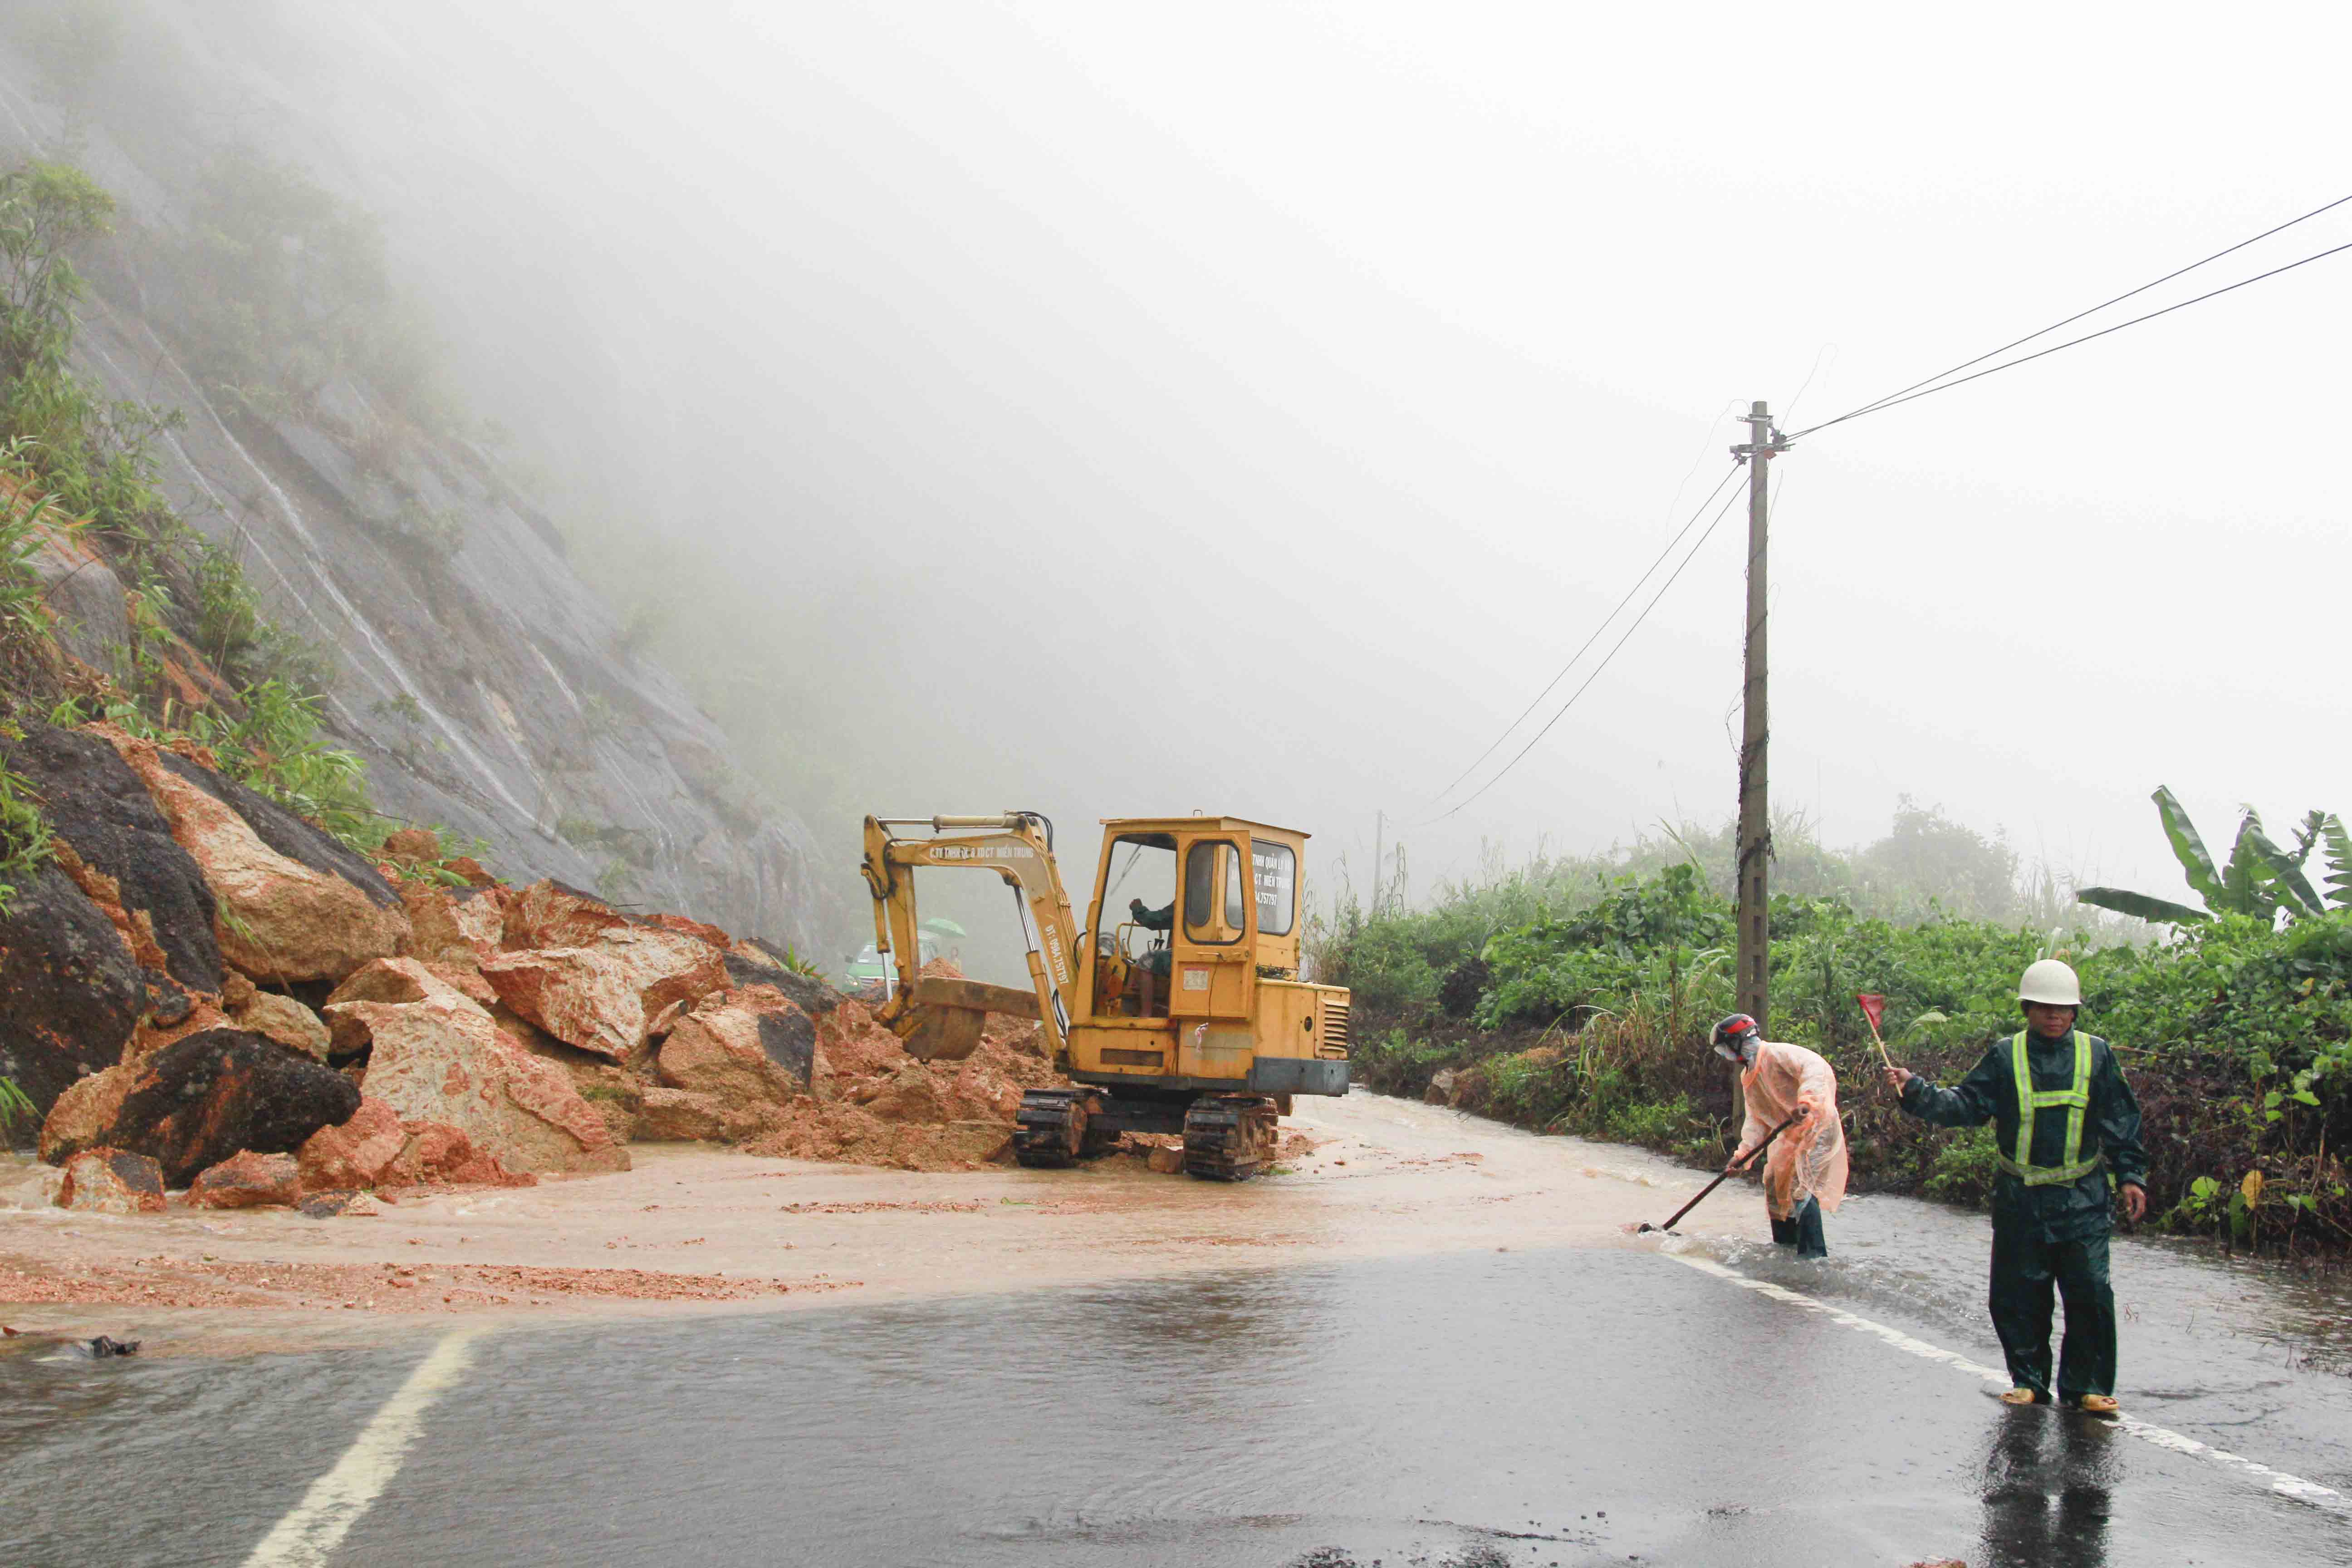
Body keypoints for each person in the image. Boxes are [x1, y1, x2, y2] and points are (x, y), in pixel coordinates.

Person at [1883, 959, 2147, 1416]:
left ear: (2075, 1012)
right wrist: (1918, 1091)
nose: (2054, 1017)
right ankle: (2028, 1381)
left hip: (2082, 1199)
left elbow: (2121, 1119)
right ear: (2028, 1009)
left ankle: (2087, 1386)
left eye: (2063, 1009)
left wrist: (2131, 1176)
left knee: (2090, 1293)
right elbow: (1967, 1104)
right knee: (2018, 1294)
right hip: (2019, 1198)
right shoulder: (2005, 1056)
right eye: (2045, 1008)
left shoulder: (2096, 1055)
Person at [1713, 1014, 1847, 1258]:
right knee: (1774, 1182)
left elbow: (1816, 1068)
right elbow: (1757, 1120)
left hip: (1818, 1125)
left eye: (1726, 1049)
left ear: (1740, 1042)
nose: (1727, 1056)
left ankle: (1813, 1256)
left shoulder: (1778, 1054)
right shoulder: (1748, 1077)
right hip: (1791, 1135)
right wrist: (1742, 1156)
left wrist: (1807, 1101)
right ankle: (1785, 1249)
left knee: (1799, 1186)